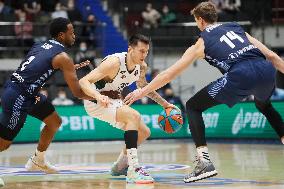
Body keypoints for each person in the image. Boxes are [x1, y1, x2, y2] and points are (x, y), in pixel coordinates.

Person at [124, 2, 284, 183]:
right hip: (266, 71)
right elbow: (271, 56)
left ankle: (204, 162)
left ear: (200, 20)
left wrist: (141, 92)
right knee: (263, 104)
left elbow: (169, 74)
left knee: (193, 106)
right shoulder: (236, 28)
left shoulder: (201, 43)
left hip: (240, 75)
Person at [0, 17, 93, 185]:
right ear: (60, 35)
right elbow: (78, 92)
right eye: (71, 33)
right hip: (18, 97)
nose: (74, 36)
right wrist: (99, 98)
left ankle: (38, 160)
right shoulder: (63, 57)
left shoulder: (40, 45)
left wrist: (72, 67)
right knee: (4, 143)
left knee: (54, 121)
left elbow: (37, 69)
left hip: (27, 93)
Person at [79, 34, 177, 184]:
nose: (144, 55)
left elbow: (145, 88)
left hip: (113, 100)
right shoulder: (114, 62)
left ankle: (120, 166)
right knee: (134, 116)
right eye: (141, 51)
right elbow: (83, 81)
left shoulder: (142, 67)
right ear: (130, 49)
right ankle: (134, 169)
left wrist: (165, 104)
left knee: (144, 132)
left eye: (146, 51)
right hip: (95, 100)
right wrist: (98, 97)